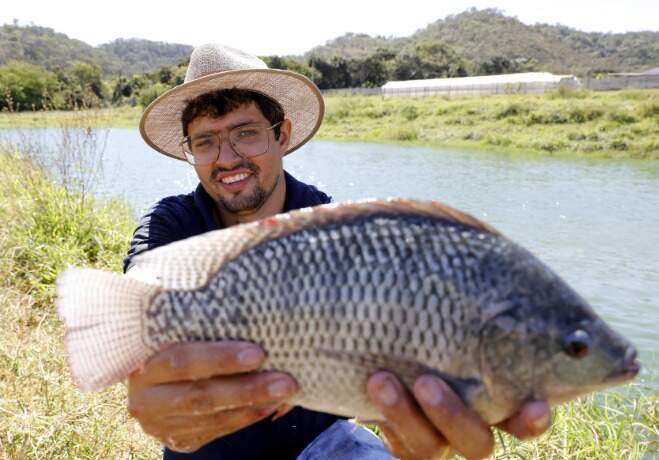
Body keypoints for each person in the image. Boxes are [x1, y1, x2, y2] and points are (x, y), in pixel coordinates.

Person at [123, 43, 551, 460]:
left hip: (324, 442)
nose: (227, 158)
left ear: (282, 135)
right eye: (205, 142)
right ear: (191, 152)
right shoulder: (172, 223)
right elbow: (138, 292)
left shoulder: (330, 224)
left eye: (246, 134)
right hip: (209, 450)